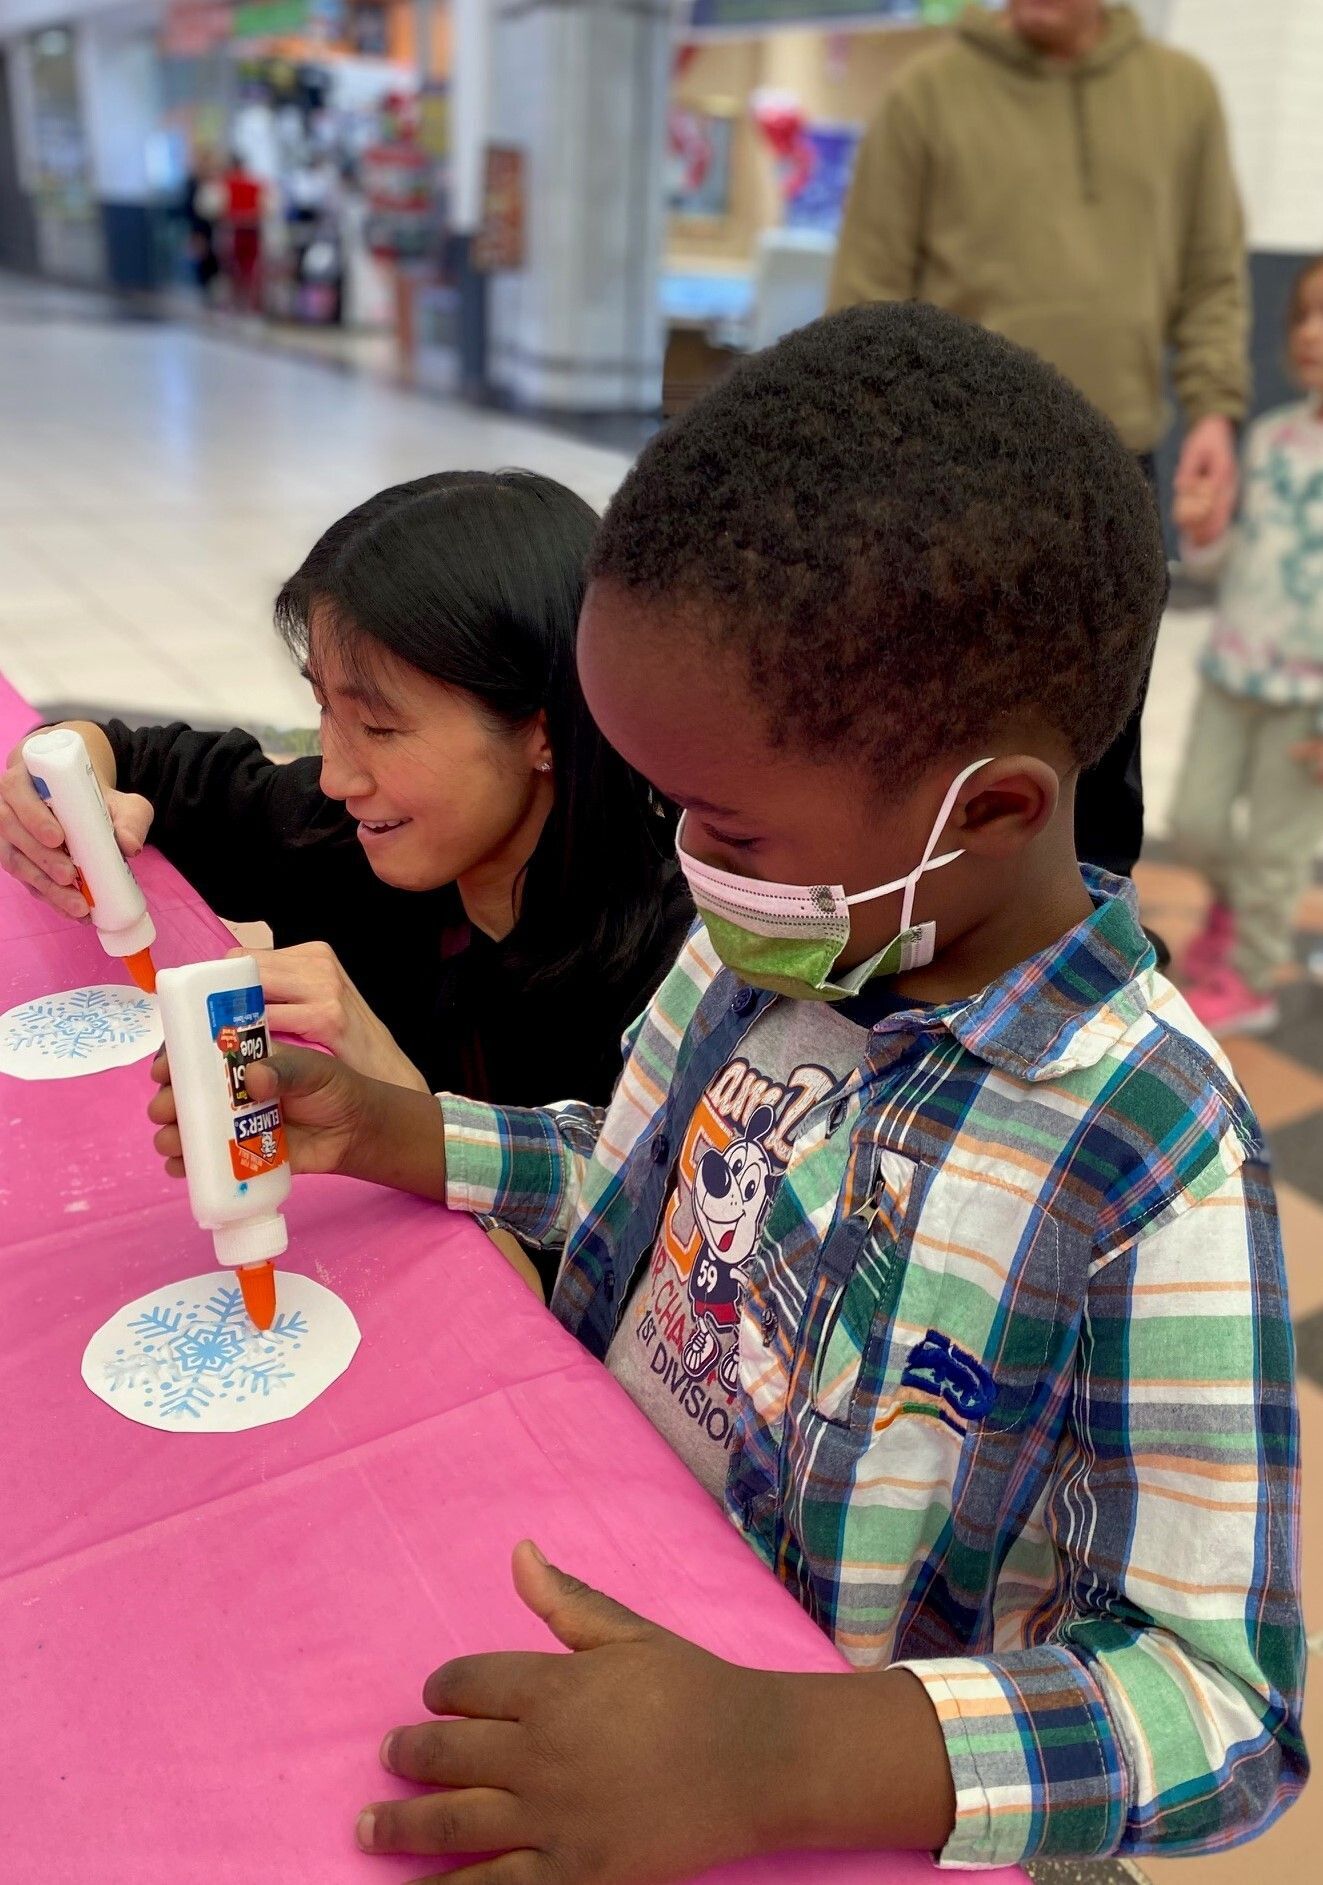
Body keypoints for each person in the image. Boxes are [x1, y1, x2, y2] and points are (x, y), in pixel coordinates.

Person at [148, 306, 1305, 1876]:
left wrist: (777, 1753)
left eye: (727, 828)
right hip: (615, 1616)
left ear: (993, 810)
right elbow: (643, 1183)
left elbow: (1218, 1702)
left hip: (832, 1804)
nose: (686, 866)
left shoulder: (1143, 1145)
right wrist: (406, 1131)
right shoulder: (764, 949)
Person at [0, 471, 690, 1117]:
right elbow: (130, 757)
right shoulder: (337, 837)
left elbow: (606, 1240)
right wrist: (51, 783)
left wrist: (392, 1104)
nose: (336, 777)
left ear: (544, 730)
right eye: (325, 708)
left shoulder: (675, 980)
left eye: (381, 726)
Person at [829, 0, 1249, 889]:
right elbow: (865, 302)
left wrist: (1213, 411)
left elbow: (1212, 271)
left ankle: (1097, 927)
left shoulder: (1180, 94)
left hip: (1116, 469)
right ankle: (937, 915)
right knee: (954, 721)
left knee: (1105, 727)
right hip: (955, 478)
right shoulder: (927, 94)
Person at [1169, 256, 1323, 1034]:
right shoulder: (1266, 438)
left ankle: (1253, 974)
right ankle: (1231, 914)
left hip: (1306, 706)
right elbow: (1228, 562)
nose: (1307, 333)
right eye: (1301, 314)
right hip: (1230, 673)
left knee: (1275, 850)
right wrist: (1202, 533)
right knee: (1192, 820)